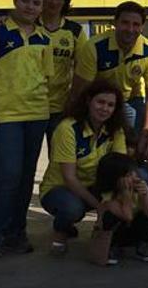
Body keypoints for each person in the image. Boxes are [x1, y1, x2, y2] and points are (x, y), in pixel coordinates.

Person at [0, 0, 51, 258]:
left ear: (41, 7)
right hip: (5, 115)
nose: (30, 7)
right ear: (15, 0)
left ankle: (17, 232)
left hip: (37, 114)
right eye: (25, 1)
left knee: (26, 176)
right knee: (9, 175)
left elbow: (48, 77)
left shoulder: (44, 37)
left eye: (36, 3)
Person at [38, 80, 135, 255]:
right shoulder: (67, 129)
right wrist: (101, 207)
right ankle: (61, 232)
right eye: (100, 102)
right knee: (72, 209)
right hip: (62, 188)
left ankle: (124, 237)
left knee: (136, 179)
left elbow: (121, 167)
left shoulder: (115, 129)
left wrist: (123, 198)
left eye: (110, 105)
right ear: (88, 101)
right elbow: (69, 178)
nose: (104, 108)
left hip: (97, 185)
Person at [73, 1, 148, 156]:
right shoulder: (94, 47)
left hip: (130, 100)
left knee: (138, 150)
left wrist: (145, 134)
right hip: (98, 101)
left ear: (142, 27)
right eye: (125, 23)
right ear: (114, 23)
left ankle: (138, 175)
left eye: (136, 25)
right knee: (94, 148)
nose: (130, 29)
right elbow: (80, 91)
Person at [39, 0, 87, 141]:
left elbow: (82, 69)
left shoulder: (74, 31)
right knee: (27, 161)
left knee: (59, 158)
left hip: (61, 106)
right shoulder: (29, 27)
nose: (53, 2)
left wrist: (74, 100)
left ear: (65, 1)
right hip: (31, 105)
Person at [91, 152, 148, 265]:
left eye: (134, 173)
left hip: (134, 230)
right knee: (110, 217)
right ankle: (111, 247)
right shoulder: (107, 197)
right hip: (117, 233)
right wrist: (125, 195)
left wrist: (145, 195)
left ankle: (142, 245)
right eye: (128, 175)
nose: (134, 177)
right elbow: (127, 216)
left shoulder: (136, 189)